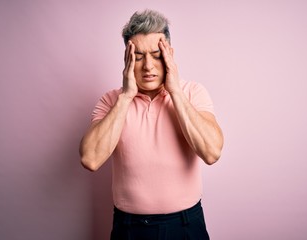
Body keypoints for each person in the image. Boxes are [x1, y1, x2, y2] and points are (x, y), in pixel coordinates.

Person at [79, 9, 224, 240]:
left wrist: (175, 91)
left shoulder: (192, 93)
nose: (148, 66)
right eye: (138, 57)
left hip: (186, 225)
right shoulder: (111, 101)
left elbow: (212, 152)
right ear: (126, 59)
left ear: (170, 54)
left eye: (157, 55)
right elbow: (90, 159)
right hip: (129, 228)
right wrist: (126, 96)